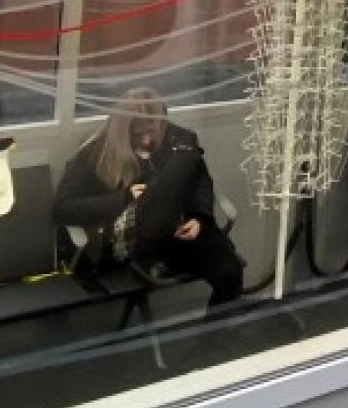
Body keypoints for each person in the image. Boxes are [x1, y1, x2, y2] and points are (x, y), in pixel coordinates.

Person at [54, 87, 245, 305]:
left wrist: (199, 218)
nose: (146, 140)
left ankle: (217, 332)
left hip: (174, 232)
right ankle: (155, 249)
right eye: (137, 134)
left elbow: (200, 184)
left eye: (152, 131)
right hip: (129, 237)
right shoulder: (96, 152)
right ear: (123, 129)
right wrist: (125, 197)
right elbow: (64, 209)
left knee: (229, 270)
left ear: (162, 124)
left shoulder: (178, 139)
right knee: (186, 160)